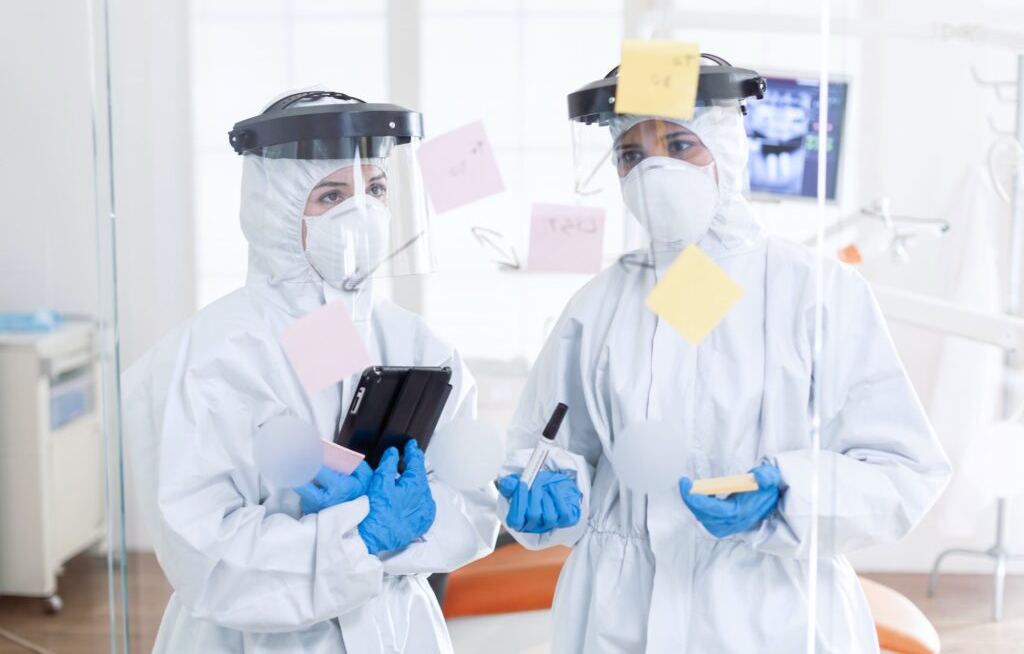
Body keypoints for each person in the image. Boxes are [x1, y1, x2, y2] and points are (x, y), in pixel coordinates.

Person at [497, 56, 952, 652]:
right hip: (618, 614)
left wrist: (790, 494)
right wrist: (550, 490)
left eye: (680, 145)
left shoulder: (816, 292)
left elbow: (905, 470)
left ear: (727, 148)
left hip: (772, 613)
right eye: (632, 155)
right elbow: (547, 446)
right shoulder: (598, 304)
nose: (654, 170)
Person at [122, 90, 498, 653]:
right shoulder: (207, 356)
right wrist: (357, 539)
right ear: (276, 210)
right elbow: (204, 553)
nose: (362, 213)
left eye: (374, 189)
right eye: (331, 195)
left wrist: (416, 521)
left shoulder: (416, 342)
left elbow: (472, 503)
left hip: (396, 627)